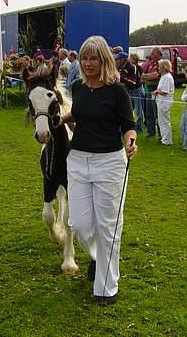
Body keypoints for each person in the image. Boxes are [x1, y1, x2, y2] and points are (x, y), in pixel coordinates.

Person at [58, 35, 137, 306]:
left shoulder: (118, 91)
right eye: (84, 57)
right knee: (79, 224)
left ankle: (106, 287)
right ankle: (96, 256)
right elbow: (80, 114)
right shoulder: (79, 87)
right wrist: (63, 118)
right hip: (78, 160)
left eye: (93, 58)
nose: (88, 63)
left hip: (110, 163)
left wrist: (130, 142)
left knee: (108, 226)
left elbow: (128, 124)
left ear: (104, 60)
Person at [152, 59, 175, 146]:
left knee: (164, 121)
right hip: (161, 101)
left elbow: (165, 91)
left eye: (159, 66)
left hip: (165, 102)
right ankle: (164, 138)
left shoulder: (167, 77)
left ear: (164, 67)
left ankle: (167, 140)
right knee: (161, 121)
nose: (158, 68)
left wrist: (156, 91)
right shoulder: (164, 76)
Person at [141, 47, 162, 137]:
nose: (151, 55)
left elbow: (156, 75)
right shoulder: (150, 63)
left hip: (156, 90)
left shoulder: (161, 63)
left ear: (158, 54)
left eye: (153, 53)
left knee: (157, 113)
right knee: (149, 112)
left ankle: (161, 134)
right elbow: (142, 75)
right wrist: (148, 76)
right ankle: (151, 132)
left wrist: (147, 76)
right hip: (149, 90)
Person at [129, 53, 145, 133]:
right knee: (129, 109)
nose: (129, 59)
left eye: (130, 58)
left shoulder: (138, 68)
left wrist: (137, 84)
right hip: (130, 90)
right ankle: (130, 126)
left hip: (137, 90)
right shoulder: (130, 67)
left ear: (134, 59)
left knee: (139, 110)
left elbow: (142, 78)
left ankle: (139, 127)